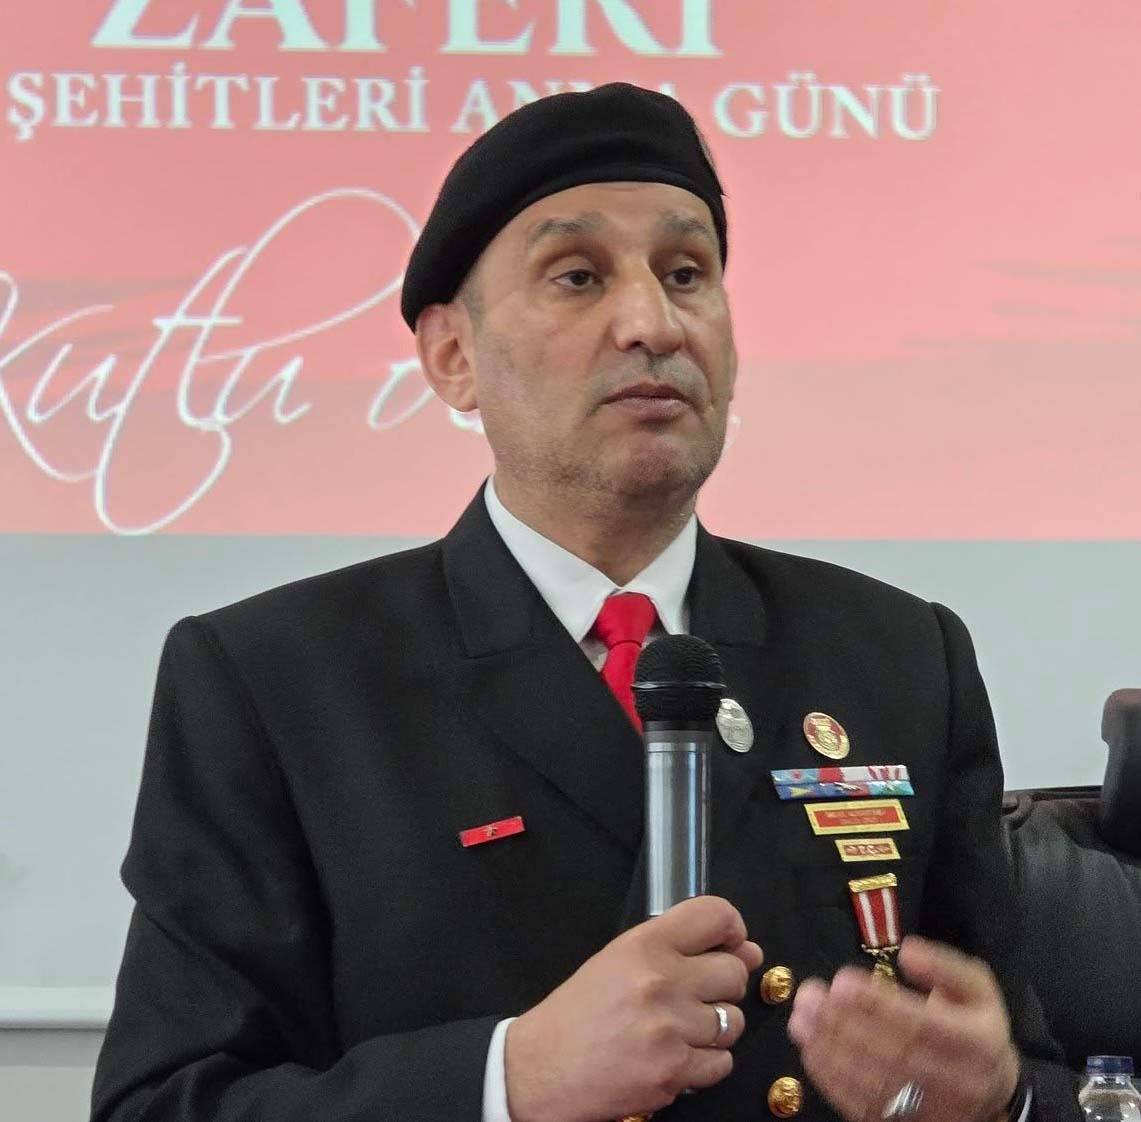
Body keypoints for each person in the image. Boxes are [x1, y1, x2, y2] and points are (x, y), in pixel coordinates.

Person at [91, 83, 1077, 1122]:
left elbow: (1042, 1075)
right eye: (577, 276)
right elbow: (162, 1106)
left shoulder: (898, 655)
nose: (652, 322)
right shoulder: (275, 679)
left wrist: (1003, 1099)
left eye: (686, 273)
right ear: (453, 357)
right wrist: (505, 1078)